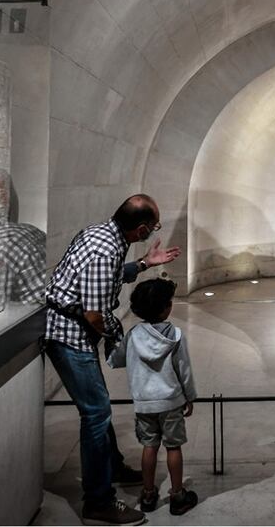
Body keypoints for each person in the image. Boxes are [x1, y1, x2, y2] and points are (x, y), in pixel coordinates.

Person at [44, 194, 181, 525]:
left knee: (98, 407)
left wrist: (146, 264)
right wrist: (121, 340)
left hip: (74, 329)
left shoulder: (102, 233)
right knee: (96, 413)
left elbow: (108, 276)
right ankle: (98, 500)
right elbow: (93, 314)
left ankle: (112, 467)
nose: (153, 231)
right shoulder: (106, 249)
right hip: (68, 334)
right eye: (154, 226)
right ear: (142, 228)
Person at [108, 278, 198, 516]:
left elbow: (116, 359)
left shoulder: (134, 335)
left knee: (149, 447)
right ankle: (178, 496)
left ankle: (148, 494)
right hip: (171, 402)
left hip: (144, 404)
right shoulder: (176, 336)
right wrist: (190, 397)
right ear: (166, 307)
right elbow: (184, 370)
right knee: (173, 447)